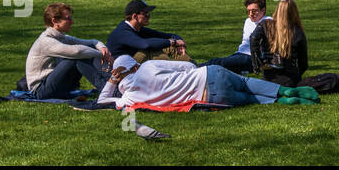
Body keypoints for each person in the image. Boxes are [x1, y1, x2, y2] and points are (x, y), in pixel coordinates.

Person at [99, 55, 320, 109]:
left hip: (208, 97)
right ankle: (286, 91)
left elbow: (102, 101)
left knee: (250, 99)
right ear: (134, 66)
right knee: (246, 82)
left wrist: (112, 81)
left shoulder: (129, 98)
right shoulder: (148, 66)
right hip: (209, 75)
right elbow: (187, 67)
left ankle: (285, 102)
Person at [25, 4, 112, 98]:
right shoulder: (46, 41)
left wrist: (103, 48)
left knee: (86, 51)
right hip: (40, 91)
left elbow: (93, 42)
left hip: (55, 85)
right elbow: (77, 52)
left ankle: (110, 83)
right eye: (68, 18)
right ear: (54, 21)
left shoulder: (62, 37)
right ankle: (107, 89)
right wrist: (101, 55)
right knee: (77, 57)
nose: (72, 22)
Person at [249, 0, 309, 86]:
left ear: (277, 10)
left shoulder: (265, 25)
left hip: (268, 78)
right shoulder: (297, 31)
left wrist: (257, 63)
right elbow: (303, 63)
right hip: (290, 78)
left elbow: (253, 39)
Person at [205, 0, 271, 72]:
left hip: (252, 57)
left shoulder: (268, 22)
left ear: (263, 10)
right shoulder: (248, 21)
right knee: (220, 65)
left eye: (254, 11)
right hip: (240, 53)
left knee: (218, 63)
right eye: (248, 11)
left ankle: (194, 69)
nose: (251, 14)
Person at [107, 0, 186, 58]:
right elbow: (145, 44)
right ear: (134, 16)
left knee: (170, 47)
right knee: (152, 51)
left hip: (132, 67)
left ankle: (193, 68)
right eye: (145, 14)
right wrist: (172, 42)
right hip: (119, 73)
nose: (149, 16)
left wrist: (179, 43)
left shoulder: (139, 29)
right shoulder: (122, 32)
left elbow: (171, 35)